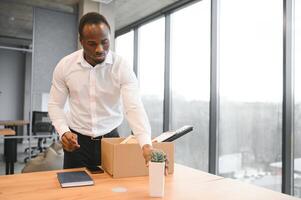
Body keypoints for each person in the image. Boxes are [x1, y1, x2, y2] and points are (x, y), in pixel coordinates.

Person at [48, 12, 154, 169]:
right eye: (92, 43)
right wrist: (63, 132)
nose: (99, 49)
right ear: (81, 41)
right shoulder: (65, 66)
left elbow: (133, 107)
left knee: (111, 192)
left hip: (110, 140)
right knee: (75, 192)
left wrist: (146, 144)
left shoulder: (121, 66)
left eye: (105, 42)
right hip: (76, 142)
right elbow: (55, 105)